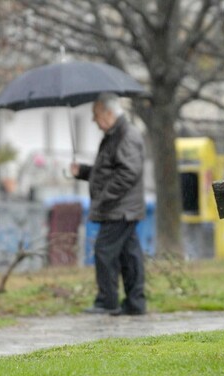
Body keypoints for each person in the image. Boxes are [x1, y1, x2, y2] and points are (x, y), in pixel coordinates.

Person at [70, 92, 146, 316]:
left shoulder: (126, 135)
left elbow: (128, 173)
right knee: (129, 256)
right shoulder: (116, 134)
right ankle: (135, 303)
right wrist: (83, 172)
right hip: (123, 208)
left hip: (119, 209)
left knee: (104, 252)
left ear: (109, 113)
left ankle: (107, 301)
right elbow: (108, 171)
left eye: (96, 115)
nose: (94, 120)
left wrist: (104, 198)